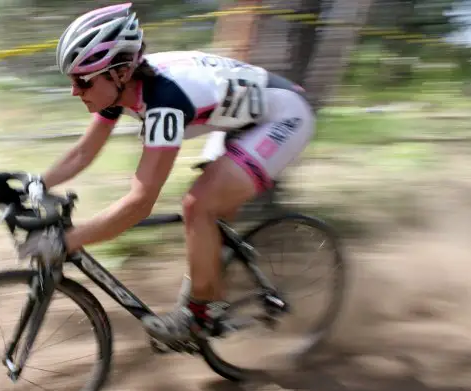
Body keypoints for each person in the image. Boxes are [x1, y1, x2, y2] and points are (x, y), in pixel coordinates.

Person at [16, 3, 316, 344]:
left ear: (119, 72)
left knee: (198, 205)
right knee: (207, 208)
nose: (75, 90)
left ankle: (198, 313)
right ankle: (213, 289)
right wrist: (36, 183)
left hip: (284, 118)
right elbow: (83, 152)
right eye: (73, 80)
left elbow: (140, 202)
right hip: (237, 120)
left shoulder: (164, 101)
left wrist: (68, 240)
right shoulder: (119, 87)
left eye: (83, 81)